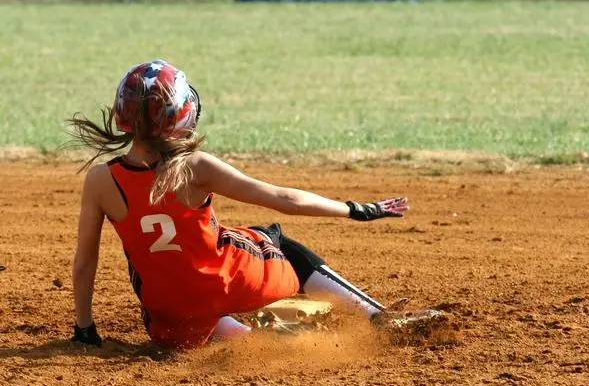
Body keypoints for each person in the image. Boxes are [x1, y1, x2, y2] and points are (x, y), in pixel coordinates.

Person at [69, 60, 438, 350]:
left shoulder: (100, 179)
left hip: (166, 321)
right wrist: (355, 208)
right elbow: (285, 200)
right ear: (179, 115)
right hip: (226, 286)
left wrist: (84, 328)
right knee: (273, 240)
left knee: (183, 298)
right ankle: (377, 318)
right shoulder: (195, 167)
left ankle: (244, 340)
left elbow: (85, 262)